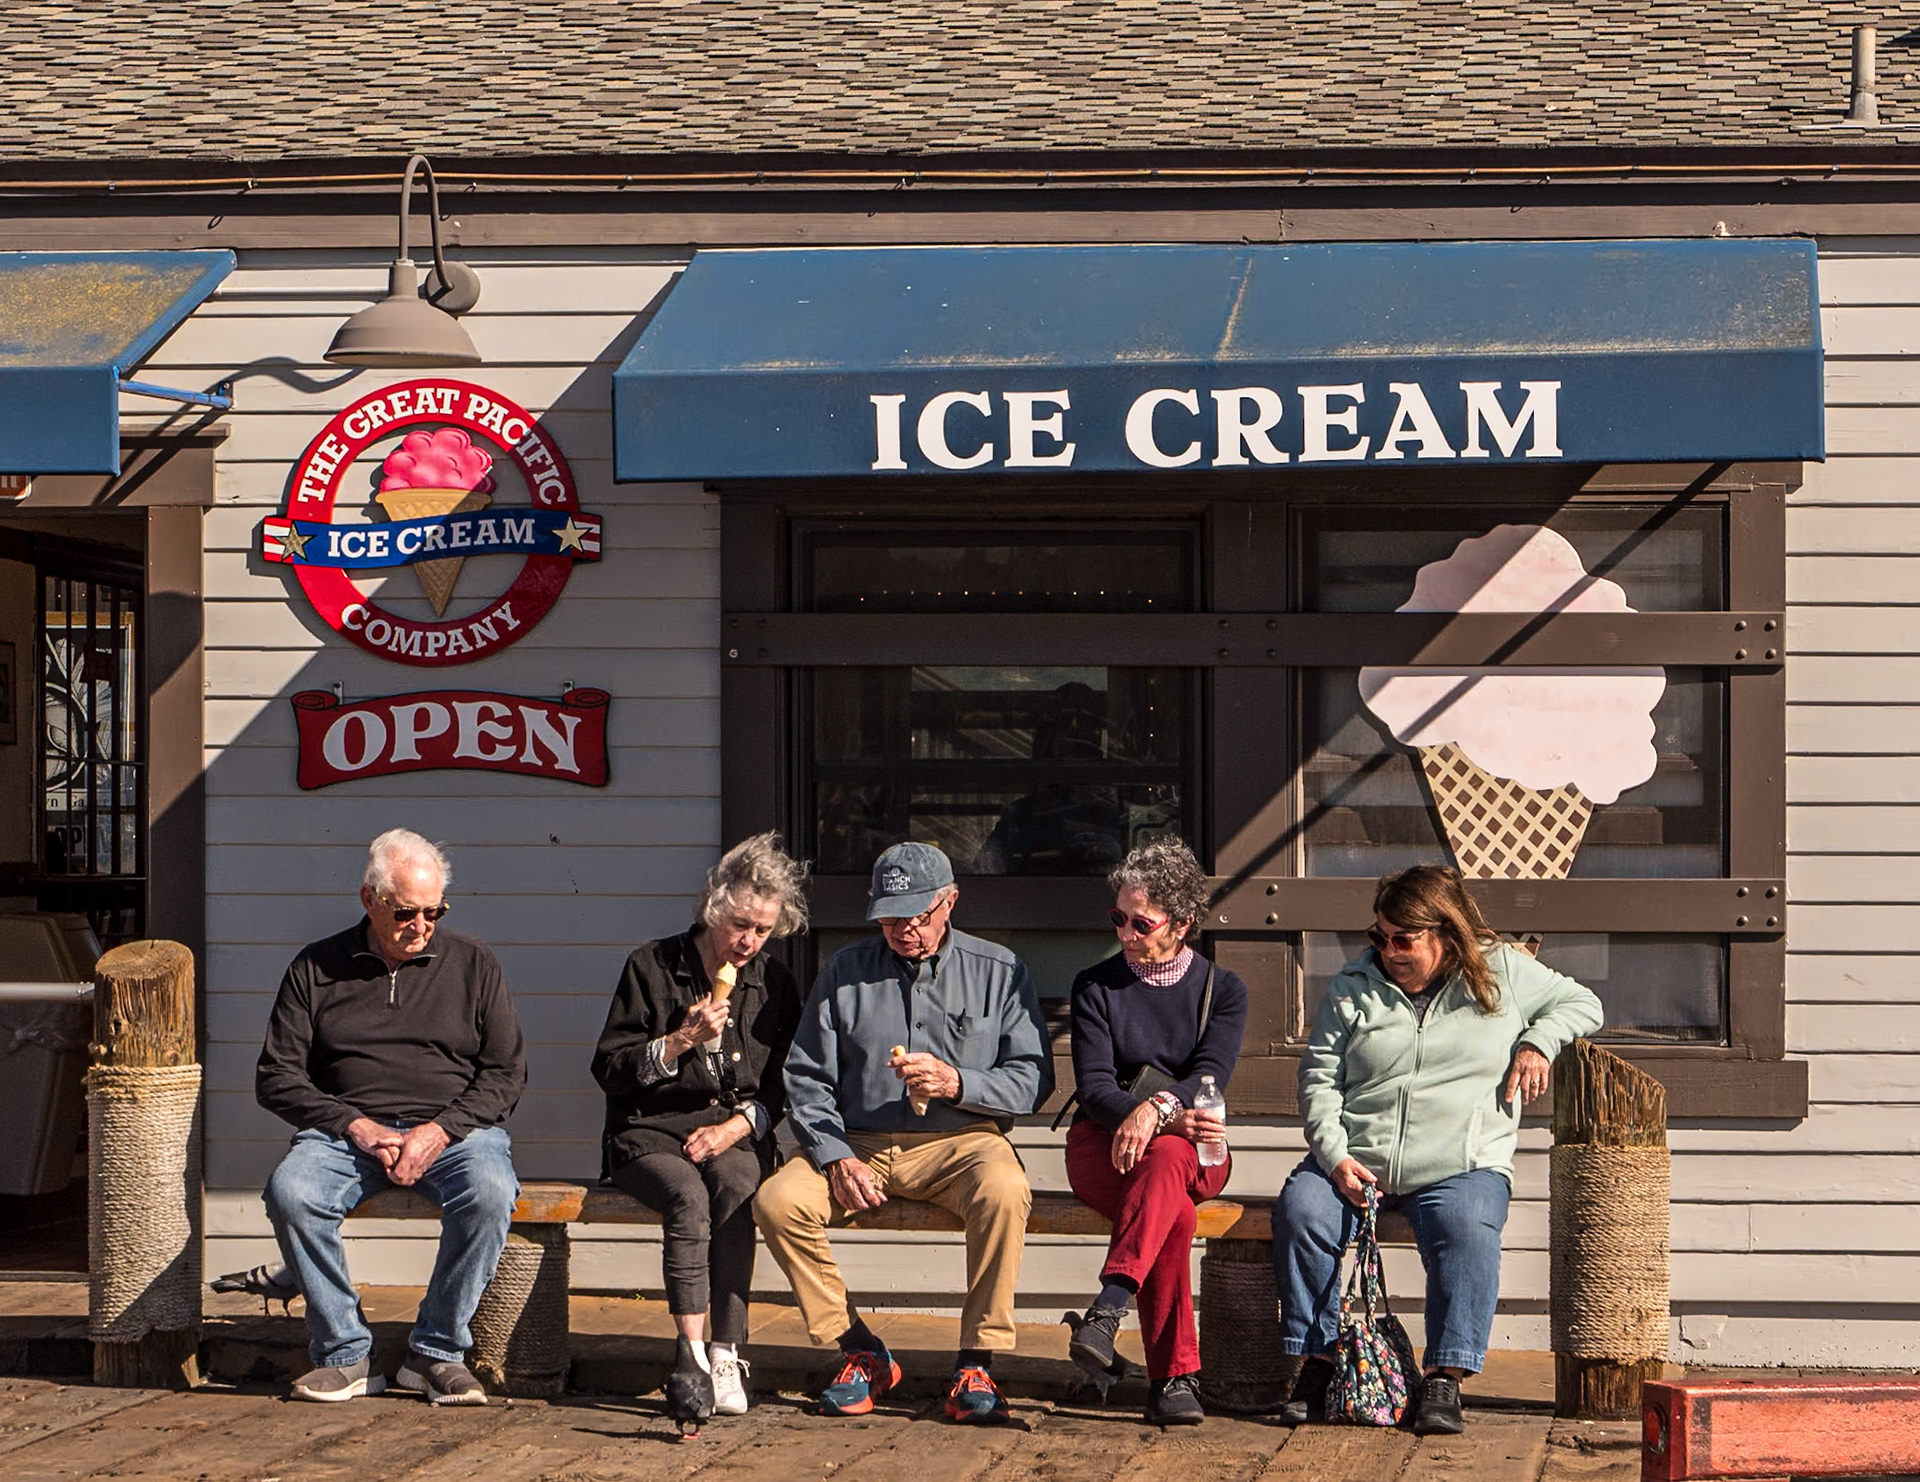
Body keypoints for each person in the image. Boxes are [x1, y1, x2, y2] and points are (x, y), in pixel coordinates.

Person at [1273, 864, 1603, 1436]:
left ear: (1446, 934)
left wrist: (1536, 1042)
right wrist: (1334, 1156)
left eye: (1404, 939)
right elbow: (1319, 1079)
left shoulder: (1502, 973)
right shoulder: (1353, 987)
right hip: (1358, 1157)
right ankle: (1321, 1362)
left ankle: (1445, 1375)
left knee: (1467, 1228)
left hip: (1460, 1162)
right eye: (1379, 937)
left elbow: (1582, 1003)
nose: (1388, 951)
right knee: (1302, 1211)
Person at [754, 841, 1053, 1424]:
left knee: (1005, 1190)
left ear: (950, 903)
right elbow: (806, 1077)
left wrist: (956, 1082)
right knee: (777, 1200)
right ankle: (860, 1348)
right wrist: (836, 1157)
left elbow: (1032, 1080)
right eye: (890, 917)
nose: (903, 930)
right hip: (859, 1143)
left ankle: (976, 1362)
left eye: (917, 915)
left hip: (962, 1144)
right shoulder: (844, 971)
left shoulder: (999, 970)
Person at [256, 829, 525, 1405]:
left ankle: (435, 1352)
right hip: (346, 1133)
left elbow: (505, 1073)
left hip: (452, 1130)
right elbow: (276, 1076)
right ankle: (346, 1355)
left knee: (490, 1189)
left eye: (434, 911)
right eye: (406, 911)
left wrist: (438, 1131)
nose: (422, 925)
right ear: (369, 899)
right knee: (292, 1191)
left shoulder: (474, 963)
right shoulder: (315, 967)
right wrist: (357, 1126)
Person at [590, 834, 809, 1432]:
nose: (749, 941)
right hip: (649, 1131)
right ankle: (688, 1353)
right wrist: (678, 1041)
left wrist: (738, 1127)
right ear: (714, 908)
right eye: (740, 924)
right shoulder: (652, 966)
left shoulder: (773, 982)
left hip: (732, 1131)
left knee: (739, 1182)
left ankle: (726, 1353)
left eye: (763, 930)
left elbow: (788, 1080)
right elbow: (609, 1068)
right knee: (687, 1194)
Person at [1063, 838, 1247, 1427]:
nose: (1125, 933)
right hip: (1106, 1142)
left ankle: (1109, 1306)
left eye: (1141, 922)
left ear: (1183, 923)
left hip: (1198, 1144)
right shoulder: (1096, 985)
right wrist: (1144, 1113)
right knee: (1175, 1215)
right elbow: (1093, 1087)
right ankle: (1173, 1381)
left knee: (1168, 1158)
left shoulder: (1224, 990)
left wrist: (1161, 1111)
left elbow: (1210, 1075)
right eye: (1117, 917)